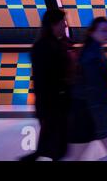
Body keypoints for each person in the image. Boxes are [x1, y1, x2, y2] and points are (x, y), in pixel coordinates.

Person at [20, 9, 73, 161]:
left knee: (50, 144)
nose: (65, 25)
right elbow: (44, 80)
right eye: (63, 22)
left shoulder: (54, 44)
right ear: (53, 24)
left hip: (55, 104)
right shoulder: (44, 47)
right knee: (57, 145)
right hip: (53, 104)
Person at [66, 17, 107, 160]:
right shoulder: (92, 56)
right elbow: (93, 91)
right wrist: (102, 125)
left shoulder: (93, 51)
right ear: (92, 32)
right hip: (87, 115)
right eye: (103, 31)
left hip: (88, 112)